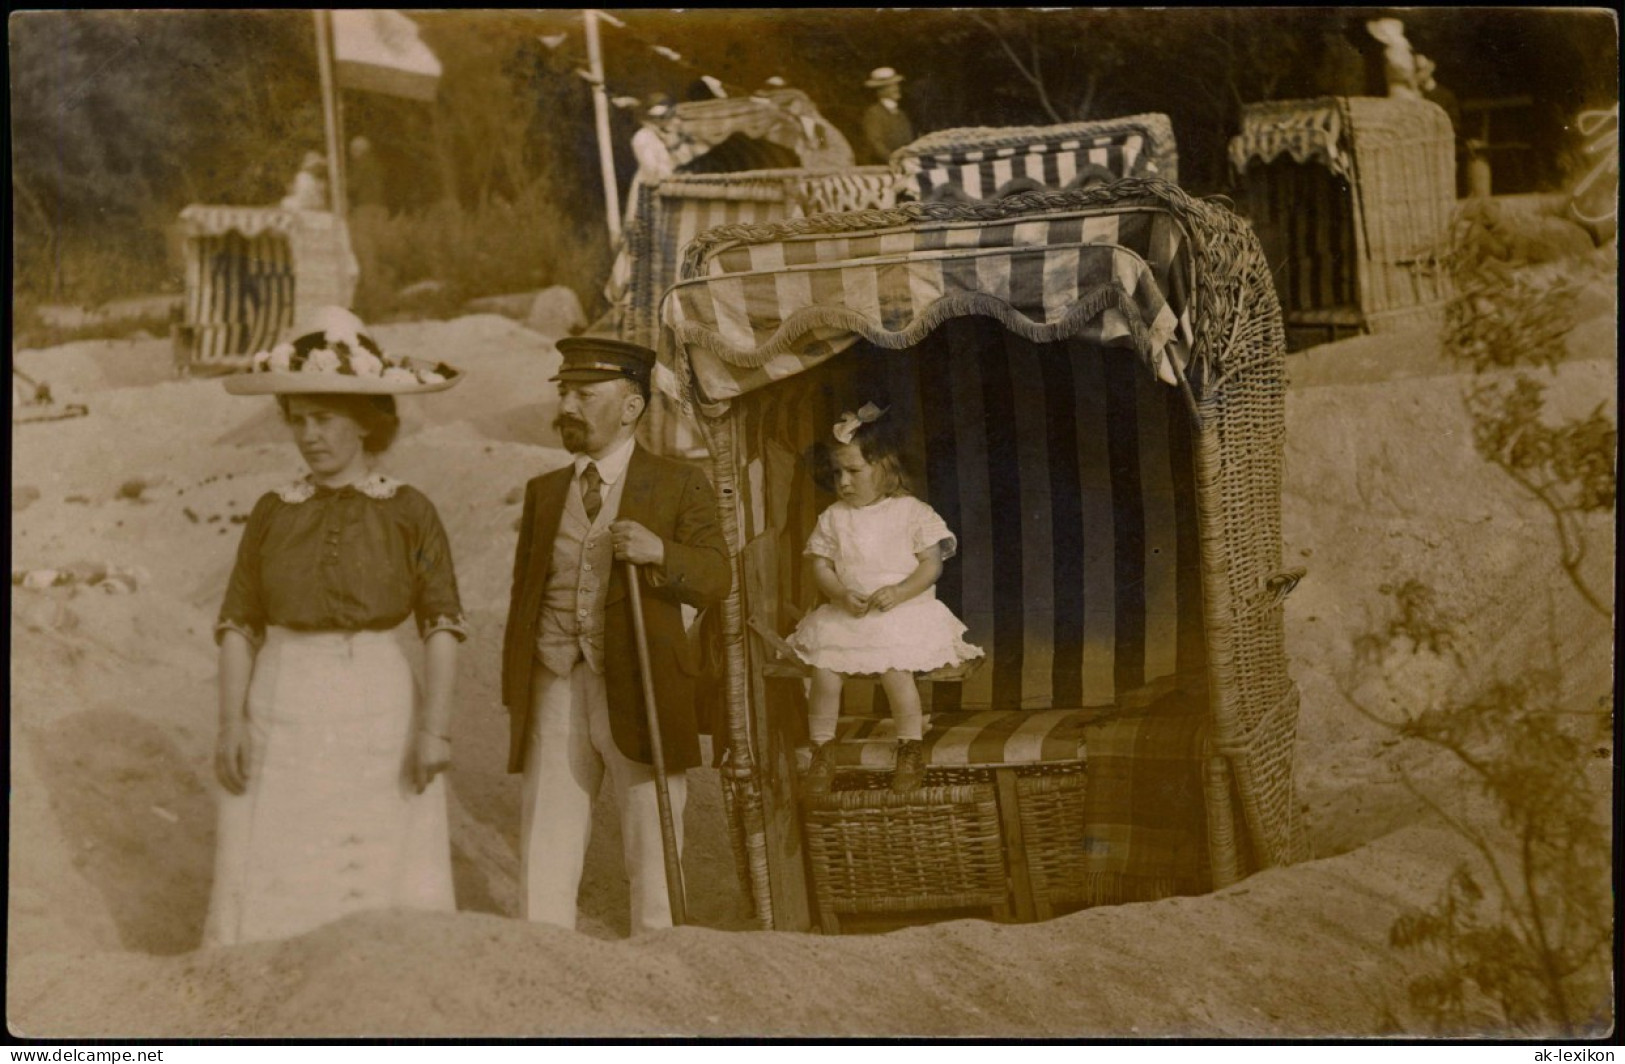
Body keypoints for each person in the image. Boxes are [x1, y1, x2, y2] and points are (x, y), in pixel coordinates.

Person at [205, 307, 467, 947]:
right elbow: (239, 624)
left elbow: (442, 624)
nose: (309, 436)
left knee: (375, 851)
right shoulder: (272, 513)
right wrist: (232, 721)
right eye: (298, 422)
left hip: (377, 700)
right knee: (279, 847)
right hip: (283, 697)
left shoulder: (408, 511)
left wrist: (434, 728)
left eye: (324, 420)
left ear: (366, 423)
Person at [502, 336, 730, 935]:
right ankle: (541, 953)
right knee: (546, 831)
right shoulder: (543, 492)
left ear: (631, 407)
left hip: (644, 684)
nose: (568, 406)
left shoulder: (678, 484)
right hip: (555, 681)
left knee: (651, 838)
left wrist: (661, 552)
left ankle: (658, 960)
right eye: (564, 392)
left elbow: (715, 578)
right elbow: (525, 597)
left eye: (585, 393)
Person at [786, 403, 983, 795]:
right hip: (851, 613)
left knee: (896, 672)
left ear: (885, 467)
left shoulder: (911, 512)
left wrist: (901, 591)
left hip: (901, 612)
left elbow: (931, 565)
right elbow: (821, 566)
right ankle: (822, 749)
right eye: (837, 472)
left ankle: (909, 746)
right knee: (825, 671)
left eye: (854, 471)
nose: (843, 481)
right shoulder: (834, 517)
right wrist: (840, 593)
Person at [860, 67, 914, 164]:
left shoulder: (901, 113)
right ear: (880, 91)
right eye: (890, 86)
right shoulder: (874, 113)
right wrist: (893, 160)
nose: (896, 89)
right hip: (883, 166)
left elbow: (908, 140)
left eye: (896, 85)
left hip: (904, 164)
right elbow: (875, 143)